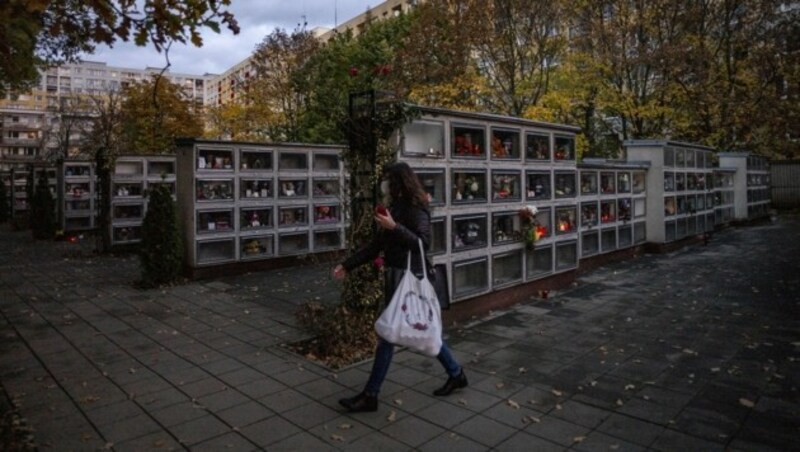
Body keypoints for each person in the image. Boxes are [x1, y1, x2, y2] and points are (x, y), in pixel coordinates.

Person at [333, 162, 468, 413]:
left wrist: (395, 227)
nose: (385, 184)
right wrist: (347, 265)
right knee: (422, 332)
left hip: (411, 279)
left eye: (389, 180)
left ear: (399, 182)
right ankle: (456, 373)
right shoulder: (394, 207)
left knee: (388, 335)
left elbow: (423, 243)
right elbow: (377, 245)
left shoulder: (416, 208)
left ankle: (370, 395)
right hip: (396, 276)